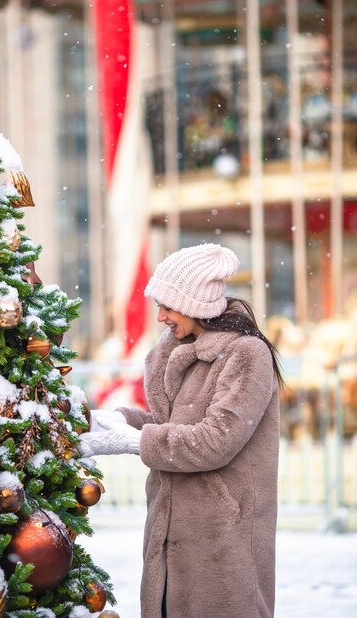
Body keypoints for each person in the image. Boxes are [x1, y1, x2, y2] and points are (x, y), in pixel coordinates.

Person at [80, 243, 282, 618]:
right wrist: (121, 420)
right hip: (172, 526)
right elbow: (170, 426)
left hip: (223, 535)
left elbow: (215, 441)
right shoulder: (178, 350)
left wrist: (137, 441)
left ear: (194, 304)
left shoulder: (247, 354)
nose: (160, 317)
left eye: (167, 306)